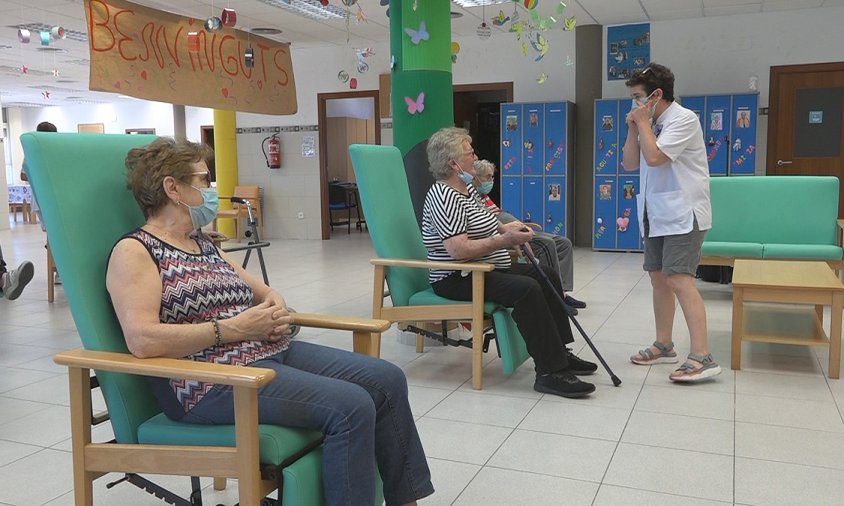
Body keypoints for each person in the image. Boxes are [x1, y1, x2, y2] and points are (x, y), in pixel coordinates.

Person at [106, 137, 433, 506]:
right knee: (351, 405)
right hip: (207, 383)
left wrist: (274, 306)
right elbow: (142, 339)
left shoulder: (200, 243)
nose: (211, 189)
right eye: (203, 180)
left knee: (387, 379)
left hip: (263, 352)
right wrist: (233, 329)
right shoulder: (135, 251)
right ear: (172, 188)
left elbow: (264, 291)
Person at [421, 127, 597, 399]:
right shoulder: (444, 196)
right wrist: (502, 242)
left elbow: (489, 221)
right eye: (470, 153)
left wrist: (509, 232)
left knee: (546, 274)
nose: (476, 157)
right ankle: (550, 372)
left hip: (486, 267)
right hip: (458, 277)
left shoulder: (467, 189)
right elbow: (457, 250)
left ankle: (560, 353)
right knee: (526, 289)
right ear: (452, 163)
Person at [622, 63, 721, 382]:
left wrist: (643, 125)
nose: (634, 104)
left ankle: (702, 356)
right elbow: (630, 162)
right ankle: (664, 345)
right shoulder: (647, 122)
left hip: (684, 213)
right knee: (658, 279)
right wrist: (633, 128)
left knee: (679, 279)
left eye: (637, 97)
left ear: (657, 95)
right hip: (655, 212)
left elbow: (655, 158)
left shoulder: (684, 119)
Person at [471, 159, 586, 314]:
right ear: (475, 177)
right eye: (487, 177)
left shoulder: (484, 195)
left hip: (517, 229)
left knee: (564, 243)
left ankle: (563, 293)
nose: (491, 181)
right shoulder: (471, 197)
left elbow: (502, 215)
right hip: (505, 236)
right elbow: (491, 224)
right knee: (547, 244)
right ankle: (555, 298)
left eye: (492, 177)